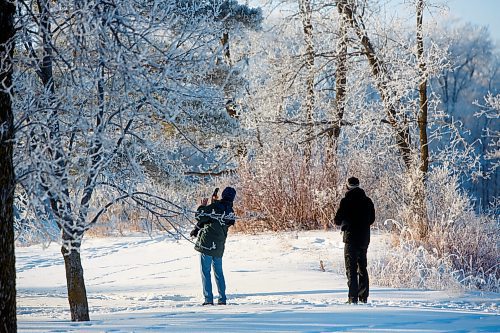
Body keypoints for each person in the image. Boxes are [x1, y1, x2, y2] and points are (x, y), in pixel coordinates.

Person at [190, 186, 236, 306]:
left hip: (207, 245)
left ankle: (208, 299)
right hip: (219, 246)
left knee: (205, 272)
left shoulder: (216, 207)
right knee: (219, 273)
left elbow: (200, 216)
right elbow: (216, 217)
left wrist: (203, 206)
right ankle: (222, 299)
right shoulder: (231, 212)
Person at [334, 177, 375, 304]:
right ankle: (363, 297)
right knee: (362, 267)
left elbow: (337, 220)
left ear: (347, 186)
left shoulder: (346, 201)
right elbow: (372, 219)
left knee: (351, 268)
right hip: (364, 239)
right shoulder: (368, 201)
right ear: (358, 185)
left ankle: (352, 298)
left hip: (351, 239)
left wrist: (346, 222)